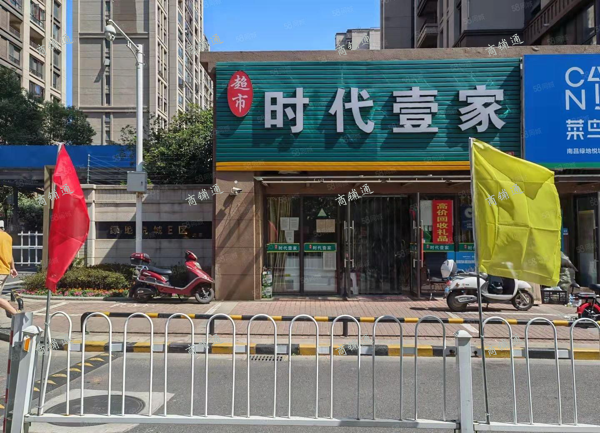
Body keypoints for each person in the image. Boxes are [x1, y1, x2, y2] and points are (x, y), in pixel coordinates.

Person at [0, 221, 21, 317]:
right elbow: (9, 253)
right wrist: (13, 267)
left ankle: (17, 314)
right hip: (4, 270)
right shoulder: (8, 237)